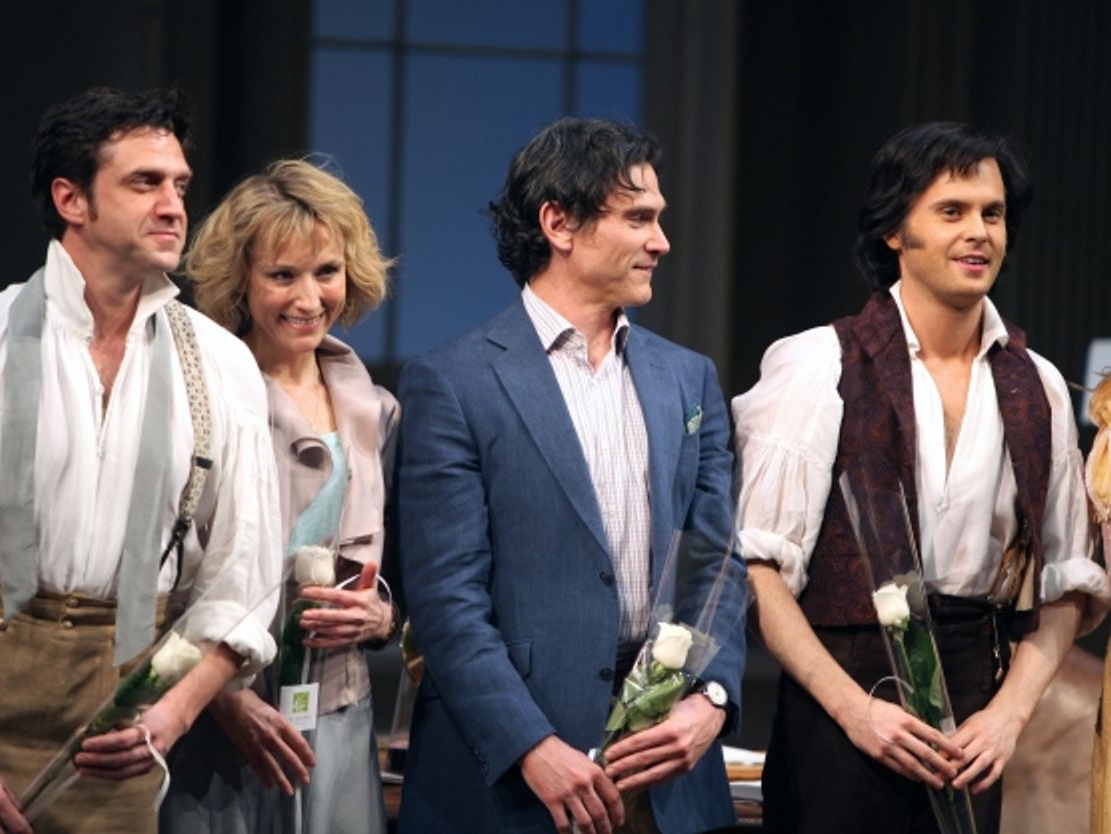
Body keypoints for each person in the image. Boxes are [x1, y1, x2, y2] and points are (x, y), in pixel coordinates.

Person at [0, 86, 284, 834]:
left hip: (122, 734)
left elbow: (241, 583)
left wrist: (170, 718)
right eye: (144, 183)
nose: (175, 205)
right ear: (70, 199)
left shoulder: (219, 365)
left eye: (179, 184)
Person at [734, 121, 1109, 833]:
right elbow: (758, 570)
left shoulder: (1039, 387)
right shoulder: (818, 365)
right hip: (841, 703)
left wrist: (1007, 716)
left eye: (992, 214)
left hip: (973, 707)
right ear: (893, 233)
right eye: (952, 211)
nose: (979, 233)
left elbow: (1071, 583)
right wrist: (855, 709)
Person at [396, 117, 745, 834]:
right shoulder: (453, 381)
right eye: (640, 218)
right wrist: (531, 745)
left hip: (668, 776)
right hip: (513, 782)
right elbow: (447, 602)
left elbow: (716, 565)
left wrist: (709, 701)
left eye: (661, 220)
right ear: (559, 222)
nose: (662, 242)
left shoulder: (689, 378)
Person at [161, 158, 398, 834]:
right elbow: (164, 574)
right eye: (282, 275)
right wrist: (224, 698)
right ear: (242, 281)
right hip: (222, 720)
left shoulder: (379, 411)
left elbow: (400, 576)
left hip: (340, 718)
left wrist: (378, 616)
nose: (308, 297)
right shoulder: (199, 399)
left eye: (325, 271)